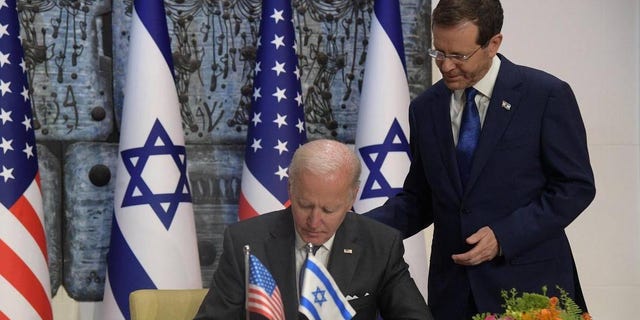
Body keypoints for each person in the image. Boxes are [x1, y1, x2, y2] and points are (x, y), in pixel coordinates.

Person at [365, 0, 596, 319]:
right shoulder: (426, 108)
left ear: (493, 44)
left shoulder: (545, 96)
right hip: (454, 295)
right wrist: (354, 227)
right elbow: (420, 200)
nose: (445, 66)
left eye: (458, 56)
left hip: (531, 291)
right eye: (439, 52)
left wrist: (505, 236)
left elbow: (575, 187)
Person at [195, 139, 433, 319]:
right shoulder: (246, 242)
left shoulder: (380, 245)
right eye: (305, 205)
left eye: (329, 210)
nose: (314, 221)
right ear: (291, 189)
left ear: (352, 197)